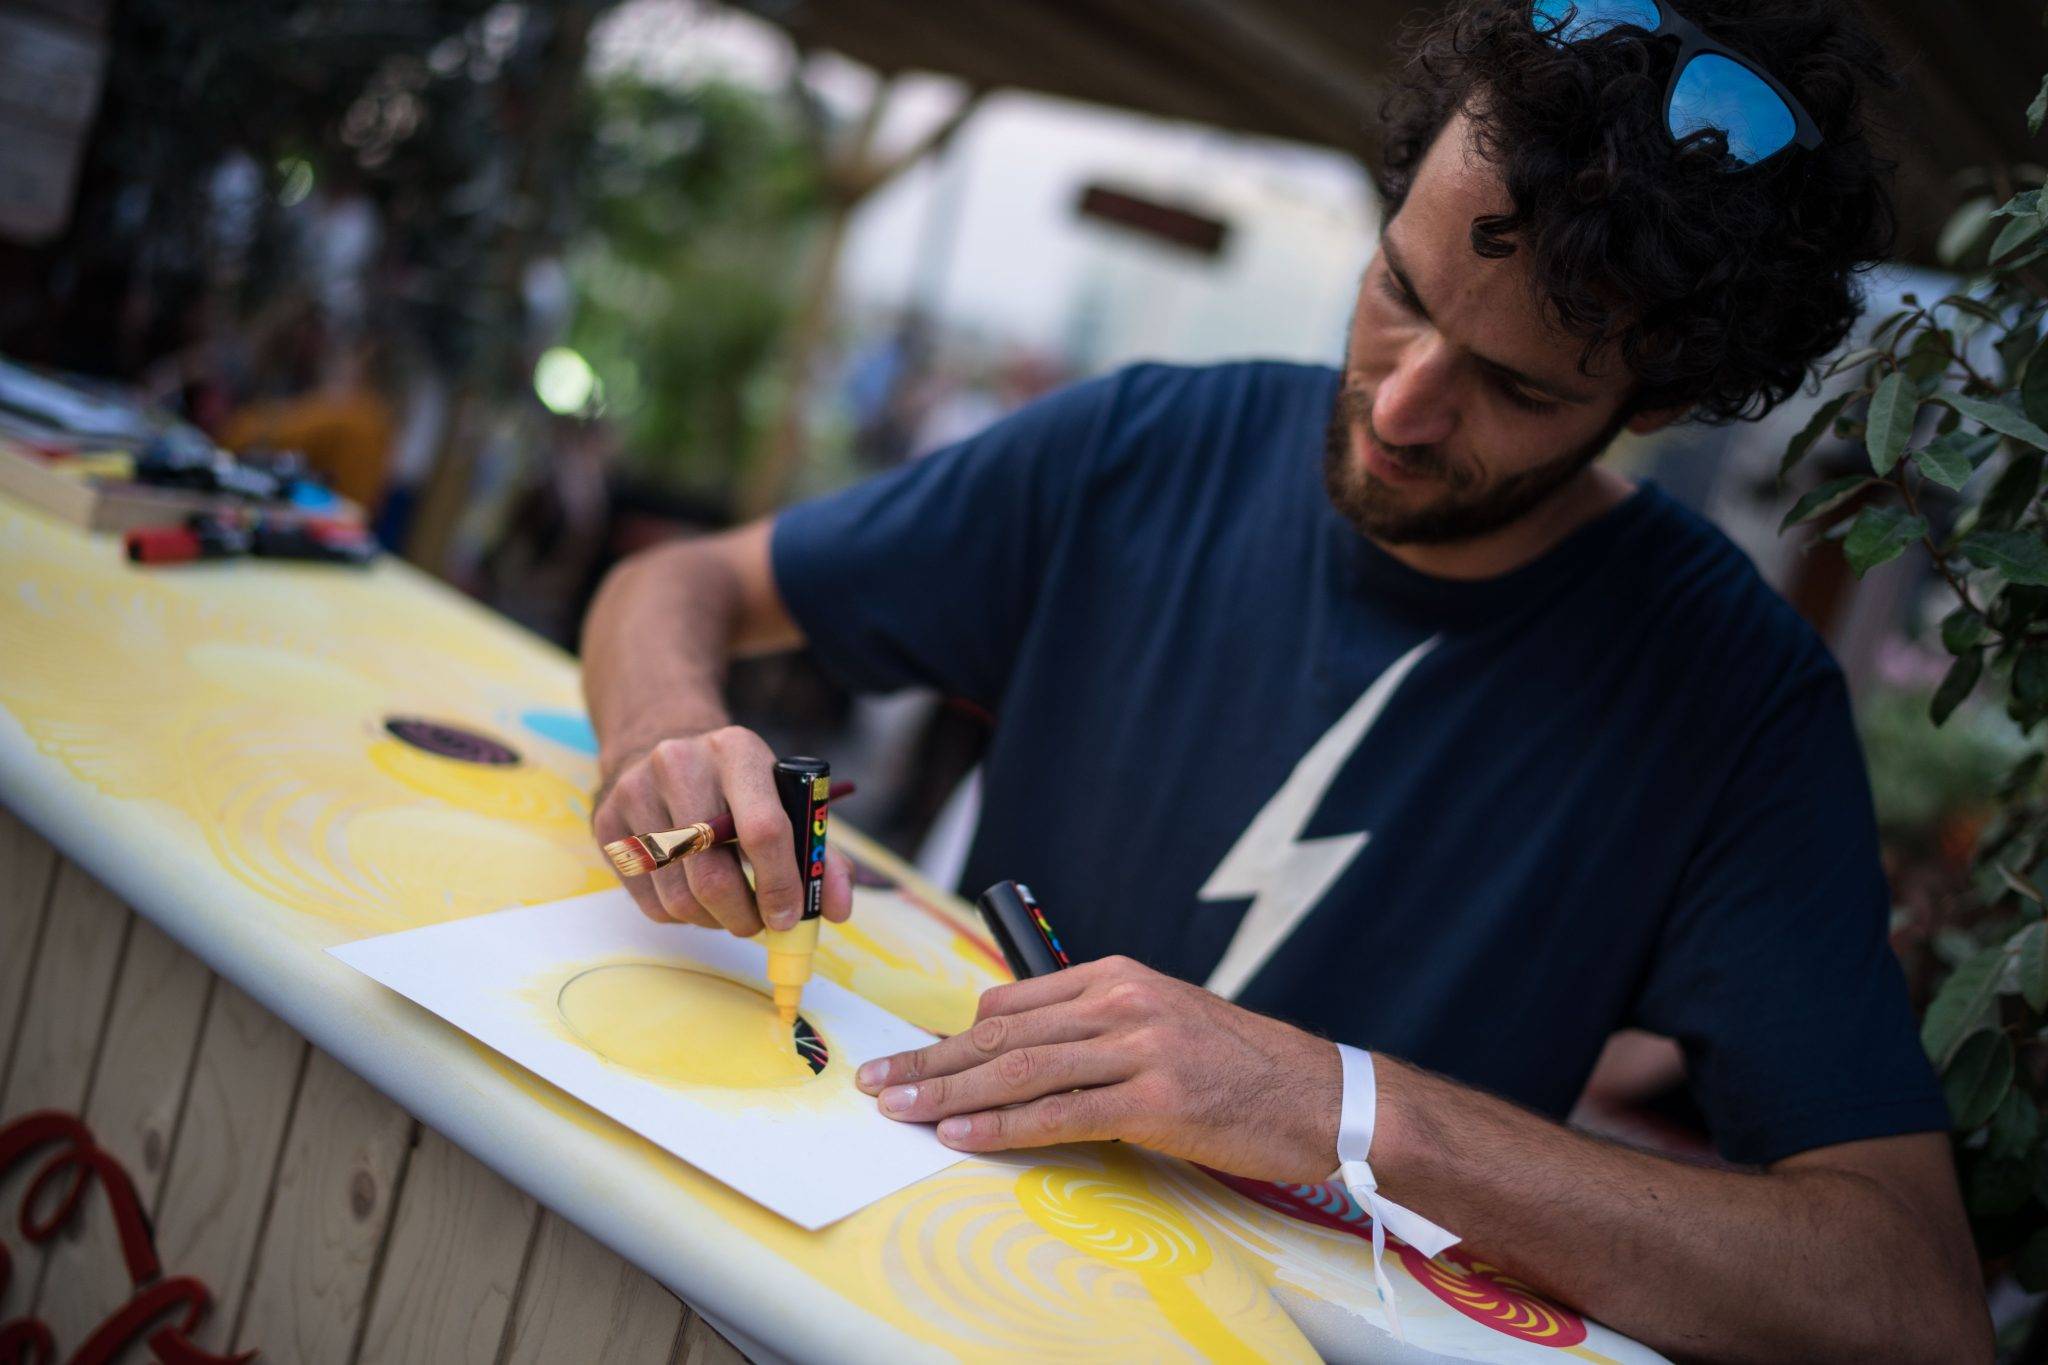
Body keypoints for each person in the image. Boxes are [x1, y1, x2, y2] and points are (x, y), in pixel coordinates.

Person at [580, 1, 1989, 1357]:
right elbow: (678, 584)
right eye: (1399, 289)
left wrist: (1348, 1107)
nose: (1399, 401)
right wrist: (672, 737)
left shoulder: (1734, 699)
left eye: (1519, 389)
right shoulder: (1149, 446)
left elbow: (1902, 1296)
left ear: (1660, 400)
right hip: (890, 1282)